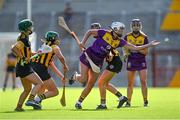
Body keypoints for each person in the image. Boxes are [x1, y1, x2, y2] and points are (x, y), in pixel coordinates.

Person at [70, 21, 160, 109]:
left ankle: (79, 102)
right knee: (83, 79)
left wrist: (149, 45)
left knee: (90, 84)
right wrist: (83, 42)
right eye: (120, 29)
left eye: (122, 29)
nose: (122, 31)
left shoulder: (120, 41)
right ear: (115, 29)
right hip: (88, 56)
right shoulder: (104, 33)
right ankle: (76, 76)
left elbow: (135, 47)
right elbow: (90, 31)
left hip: (98, 62)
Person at [11, 19, 43, 111]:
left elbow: (26, 53)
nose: (31, 28)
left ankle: (18, 107)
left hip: (22, 67)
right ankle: (30, 100)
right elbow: (14, 48)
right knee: (39, 83)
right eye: (29, 27)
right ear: (25, 29)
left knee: (27, 89)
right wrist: (23, 57)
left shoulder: (25, 38)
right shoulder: (23, 39)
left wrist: (36, 53)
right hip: (24, 66)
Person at [31, 31, 69, 109]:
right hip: (41, 68)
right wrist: (65, 65)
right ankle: (36, 100)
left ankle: (37, 103)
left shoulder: (43, 46)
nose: (57, 40)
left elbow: (51, 65)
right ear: (53, 39)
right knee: (55, 91)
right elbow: (61, 57)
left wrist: (61, 76)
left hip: (33, 67)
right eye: (56, 39)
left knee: (42, 87)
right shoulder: (55, 47)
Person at [123, 19, 149, 107]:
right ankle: (128, 102)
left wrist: (135, 48)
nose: (136, 27)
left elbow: (145, 52)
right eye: (134, 25)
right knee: (130, 83)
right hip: (131, 61)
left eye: (137, 25)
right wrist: (126, 54)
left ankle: (145, 101)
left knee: (143, 81)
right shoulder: (127, 37)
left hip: (141, 61)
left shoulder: (144, 37)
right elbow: (125, 48)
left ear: (140, 26)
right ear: (131, 26)